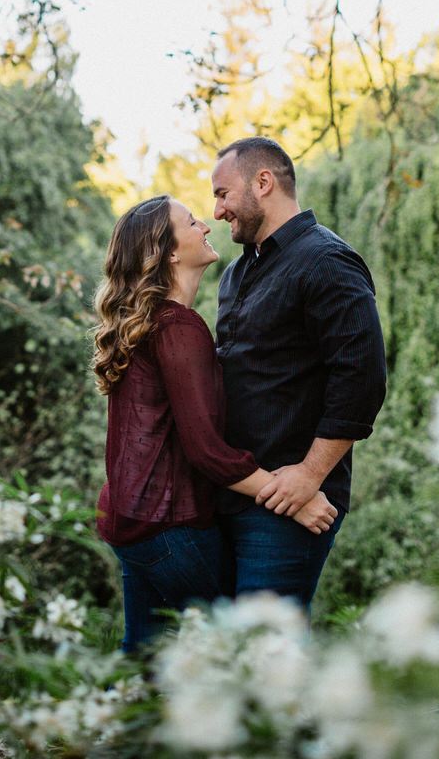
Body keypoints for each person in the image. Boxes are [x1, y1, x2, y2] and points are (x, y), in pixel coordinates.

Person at [92, 194, 338, 652]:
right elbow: (206, 451)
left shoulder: (149, 325)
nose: (205, 224)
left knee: (142, 660)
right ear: (168, 251)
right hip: (170, 527)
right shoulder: (178, 328)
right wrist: (295, 497)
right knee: (250, 646)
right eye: (190, 221)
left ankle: (101, 725)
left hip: (130, 520)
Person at [210, 136, 387, 613]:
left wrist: (309, 476)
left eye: (223, 194)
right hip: (235, 493)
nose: (218, 211)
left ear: (262, 182)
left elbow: (362, 379)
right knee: (238, 656)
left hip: (290, 505)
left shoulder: (327, 261)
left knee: (266, 654)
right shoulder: (235, 275)